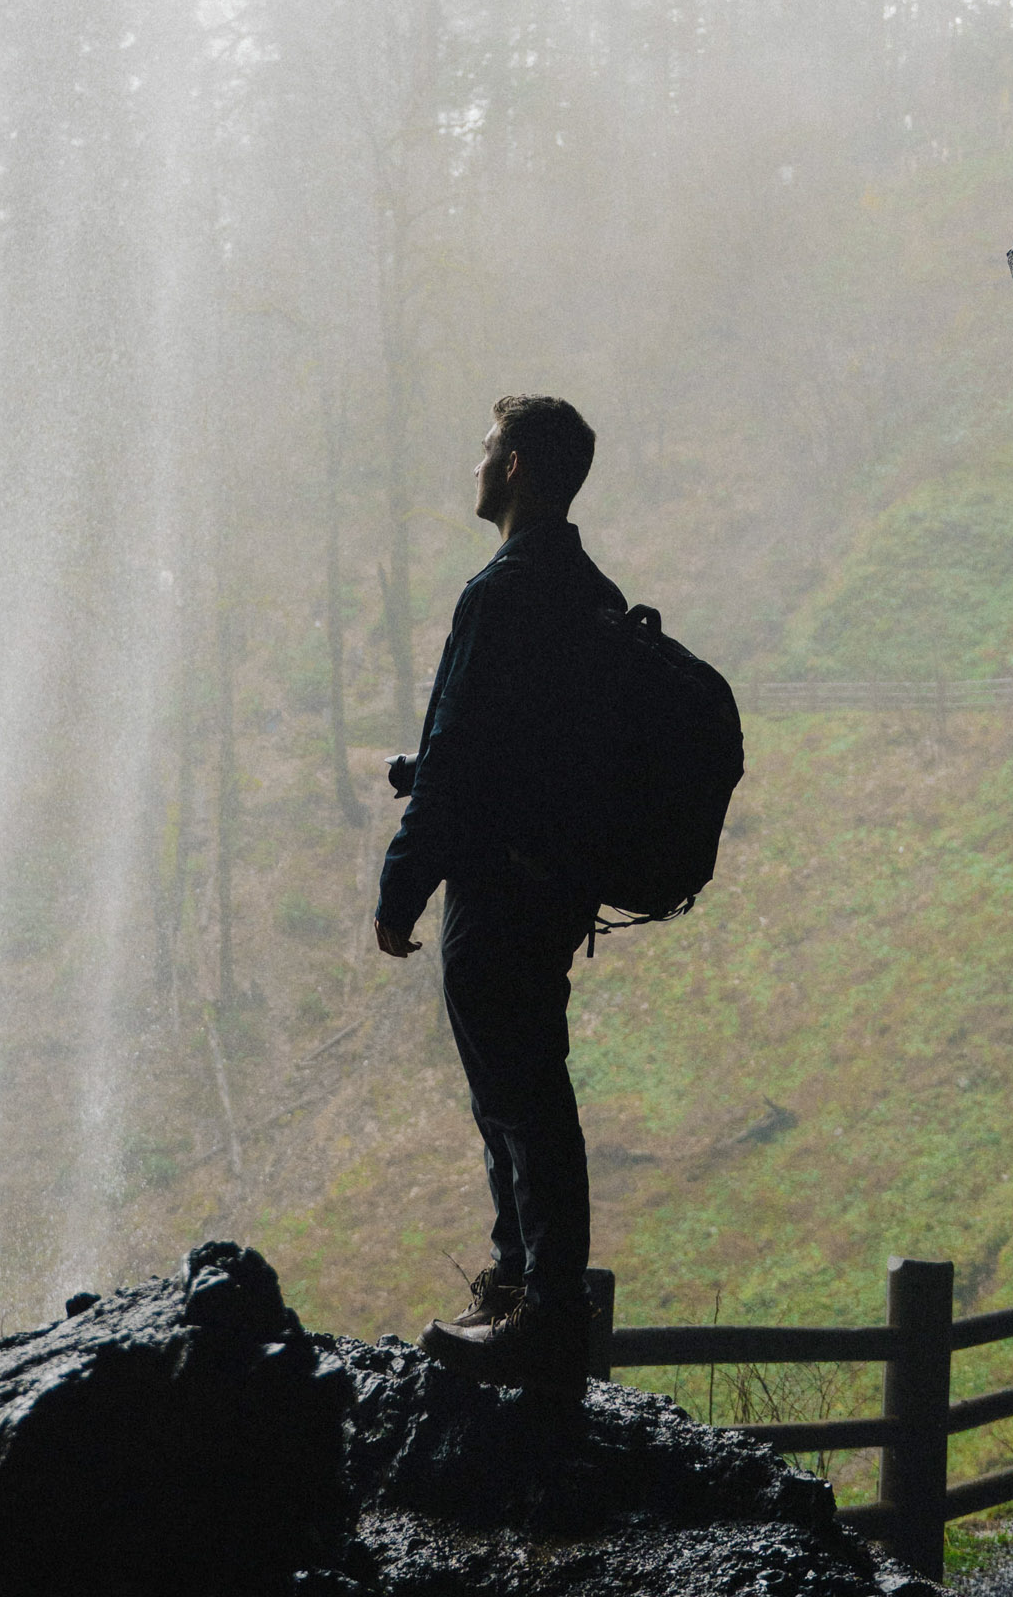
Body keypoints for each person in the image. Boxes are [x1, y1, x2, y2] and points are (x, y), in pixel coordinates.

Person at [374, 394, 625, 1397]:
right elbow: (540, 749)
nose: (475, 464)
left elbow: (459, 756)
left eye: (486, 449)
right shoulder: (591, 590)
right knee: (524, 1088)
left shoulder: (502, 591)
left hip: (496, 886)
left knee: (518, 1099)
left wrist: (401, 886)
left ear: (516, 466)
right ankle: (521, 1292)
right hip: (556, 884)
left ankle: (540, 1307)